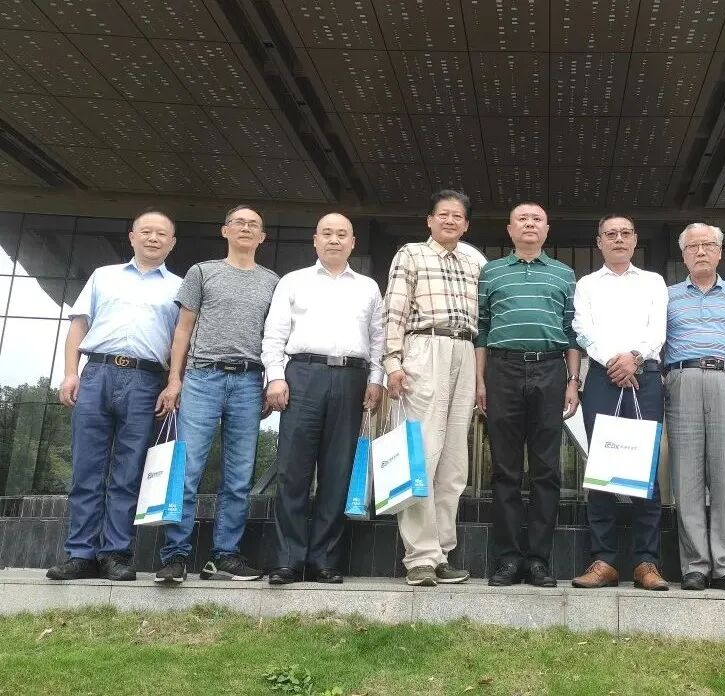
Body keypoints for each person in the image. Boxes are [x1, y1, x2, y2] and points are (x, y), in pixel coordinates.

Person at [46, 210, 181, 581]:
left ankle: (115, 553)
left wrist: (173, 382)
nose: (153, 238)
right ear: (132, 236)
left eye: (162, 234)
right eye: (146, 231)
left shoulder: (179, 287)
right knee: (86, 469)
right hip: (97, 374)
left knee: (128, 472)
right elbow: (79, 326)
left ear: (172, 243)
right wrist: (70, 373)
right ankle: (80, 554)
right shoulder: (103, 276)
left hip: (146, 380)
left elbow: (179, 342)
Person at [154, 204, 279, 583]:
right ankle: (175, 556)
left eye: (253, 224)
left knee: (238, 477)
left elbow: (275, 337)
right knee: (188, 470)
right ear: (224, 231)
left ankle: (224, 556)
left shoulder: (273, 281)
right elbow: (182, 329)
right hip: (202, 378)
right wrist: (174, 380)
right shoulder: (202, 272)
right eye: (238, 222)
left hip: (248, 381)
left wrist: (270, 380)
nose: (246, 228)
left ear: (262, 237)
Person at [261, 213, 386, 585]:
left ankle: (324, 560)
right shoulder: (293, 281)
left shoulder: (368, 287)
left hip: (352, 378)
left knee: (338, 471)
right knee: (292, 470)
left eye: (342, 234)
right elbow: (274, 333)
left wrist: (375, 380)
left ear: (352, 242)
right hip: (303, 375)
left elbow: (378, 339)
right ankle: (288, 560)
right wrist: (275, 377)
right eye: (327, 233)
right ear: (315, 240)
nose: (334, 239)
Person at [476, 202, 580, 588]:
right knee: (504, 469)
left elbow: (571, 332)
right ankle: (507, 559)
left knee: (546, 470)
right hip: (501, 370)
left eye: (537, 219)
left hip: (550, 370)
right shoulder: (490, 272)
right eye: (522, 219)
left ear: (547, 229)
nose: (530, 224)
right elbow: (481, 329)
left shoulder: (564, 274)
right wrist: (480, 381)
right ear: (510, 229)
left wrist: (573, 380)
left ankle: (538, 560)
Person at [383, 189, 481, 587]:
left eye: (457, 216)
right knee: (421, 454)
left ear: (466, 224)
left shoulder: (475, 260)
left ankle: (441, 552)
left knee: (454, 463)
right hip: (425, 347)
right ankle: (419, 557)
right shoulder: (411, 253)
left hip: (465, 350)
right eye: (443, 214)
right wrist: (392, 361)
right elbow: (394, 310)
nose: (450, 221)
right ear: (429, 220)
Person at [570, 214, 669, 591]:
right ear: (599, 242)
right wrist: (616, 362)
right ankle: (604, 561)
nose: (618, 239)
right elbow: (582, 329)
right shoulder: (586, 284)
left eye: (625, 233)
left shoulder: (653, 281)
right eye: (610, 234)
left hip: (645, 378)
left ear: (635, 240)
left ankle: (647, 562)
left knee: (645, 469)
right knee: (602, 468)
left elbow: (658, 329)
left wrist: (634, 358)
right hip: (602, 378)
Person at [666, 223, 725, 592]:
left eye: (708, 245)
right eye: (693, 246)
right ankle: (694, 566)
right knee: (686, 476)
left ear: (720, 252)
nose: (701, 251)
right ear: (684, 255)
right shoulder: (668, 296)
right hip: (682, 379)